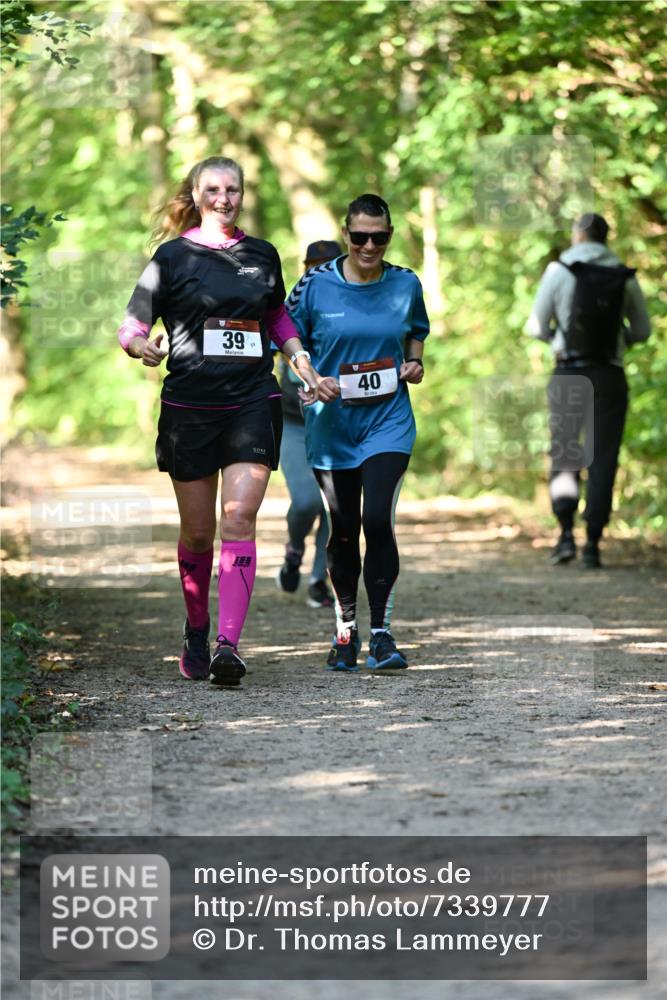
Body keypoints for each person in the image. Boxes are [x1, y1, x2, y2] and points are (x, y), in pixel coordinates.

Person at [118, 156, 320, 685]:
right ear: (196, 193)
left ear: (243, 193)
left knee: (239, 518)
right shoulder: (171, 257)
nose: (224, 198)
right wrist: (142, 346)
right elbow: (134, 322)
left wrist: (299, 358)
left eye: (233, 189)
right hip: (190, 408)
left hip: (253, 400)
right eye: (213, 189)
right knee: (199, 532)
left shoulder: (262, 255)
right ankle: (196, 629)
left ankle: (229, 643)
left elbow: (276, 316)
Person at [286, 193, 429, 671]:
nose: (370, 245)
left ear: (389, 235)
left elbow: (417, 331)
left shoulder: (406, 283)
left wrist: (415, 361)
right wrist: (308, 376)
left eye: (380, 237)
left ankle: (383, 636)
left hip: (388, 420)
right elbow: (285, 334)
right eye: (361, 236)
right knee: (343, 530)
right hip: (332, 425)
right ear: (346, 233)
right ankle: (345, 630)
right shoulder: (314, 285)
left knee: (378, 521)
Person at [527, 212, 650, 568]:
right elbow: (642, 330)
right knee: (603, 456)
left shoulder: (559, 270)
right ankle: (593, 542)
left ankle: (565, 534)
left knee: (566, 452)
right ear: (606, 237)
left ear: (578, 236)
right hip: (609, 376)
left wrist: (558, 339)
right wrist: (618, 343)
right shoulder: (623, 275)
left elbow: (536, 325)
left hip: (569, 372)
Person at [276, 240, 342, 609]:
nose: (318, 273)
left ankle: (320, 578)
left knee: (334, 505)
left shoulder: (351, 310)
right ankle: (294, 549)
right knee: (305, 502)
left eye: (327, 266)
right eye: (311, 266)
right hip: (293, 422)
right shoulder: (286, 311)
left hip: (336, 424)